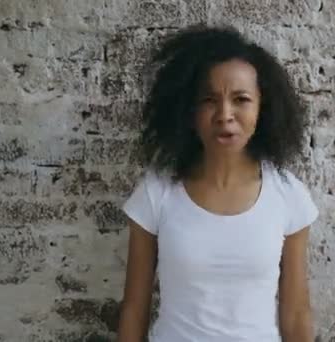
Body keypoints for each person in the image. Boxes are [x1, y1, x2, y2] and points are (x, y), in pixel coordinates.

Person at [117, 24, 319, 342]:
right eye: (209, 100)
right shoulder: (157, 192)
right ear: (188, 109)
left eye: (241, 99)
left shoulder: (288, 195)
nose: (225, 114)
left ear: (262, 108)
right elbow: (134, 310)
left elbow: (295, 313)